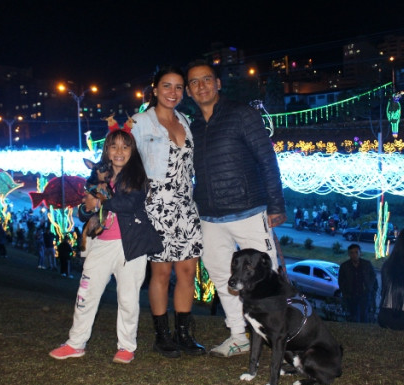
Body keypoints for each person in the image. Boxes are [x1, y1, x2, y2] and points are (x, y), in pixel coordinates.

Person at [185, 60, 287, 357]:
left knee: (268, 275)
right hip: (209, 216)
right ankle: (238, 335)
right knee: (220, 275)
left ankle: (278, 336)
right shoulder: (192, 128)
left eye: (207, 79)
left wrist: (276, 205)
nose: (201, 86)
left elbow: (268, 160)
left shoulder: (243, 114)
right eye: (194, 82)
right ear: (189, 91)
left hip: (250, 210)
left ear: (218, 84)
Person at [49, 129, 163, 364]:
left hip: (130, 246)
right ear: (107, 150)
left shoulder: (138, 177)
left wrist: (101, 199)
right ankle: (75, 343)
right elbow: (84, 212)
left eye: (125, 146)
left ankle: (126, 347)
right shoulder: (96, 176)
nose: (119, 152)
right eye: (114, 146)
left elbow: (129, 203)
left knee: (128, 299)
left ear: (133, 151)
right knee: (86, 295)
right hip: (100, 244)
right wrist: (87, 207)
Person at [131, 65, 206, 358]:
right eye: (166, 86)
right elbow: (123, 159)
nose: (172, 93)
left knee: (187, 271)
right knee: (160, 273)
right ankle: (162, 337)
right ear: (154, 89)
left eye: (178, 87)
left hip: (186, 204)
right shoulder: (139, 122)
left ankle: (184, 335)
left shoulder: (185, 120)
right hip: (156, 205)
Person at [338, 244, 378, 323]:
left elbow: (373, 276)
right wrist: (345, 293)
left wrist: (369, 288)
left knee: (364, 316)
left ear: (360, 253)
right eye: (352, 253)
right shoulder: (344, 266)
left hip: (364, 295)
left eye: (356, 252)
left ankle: (363, 332)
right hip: (351, 296)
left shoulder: (367, 264)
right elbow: (341, 280)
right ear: (349, 254)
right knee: (353, 316)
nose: (354, 255)